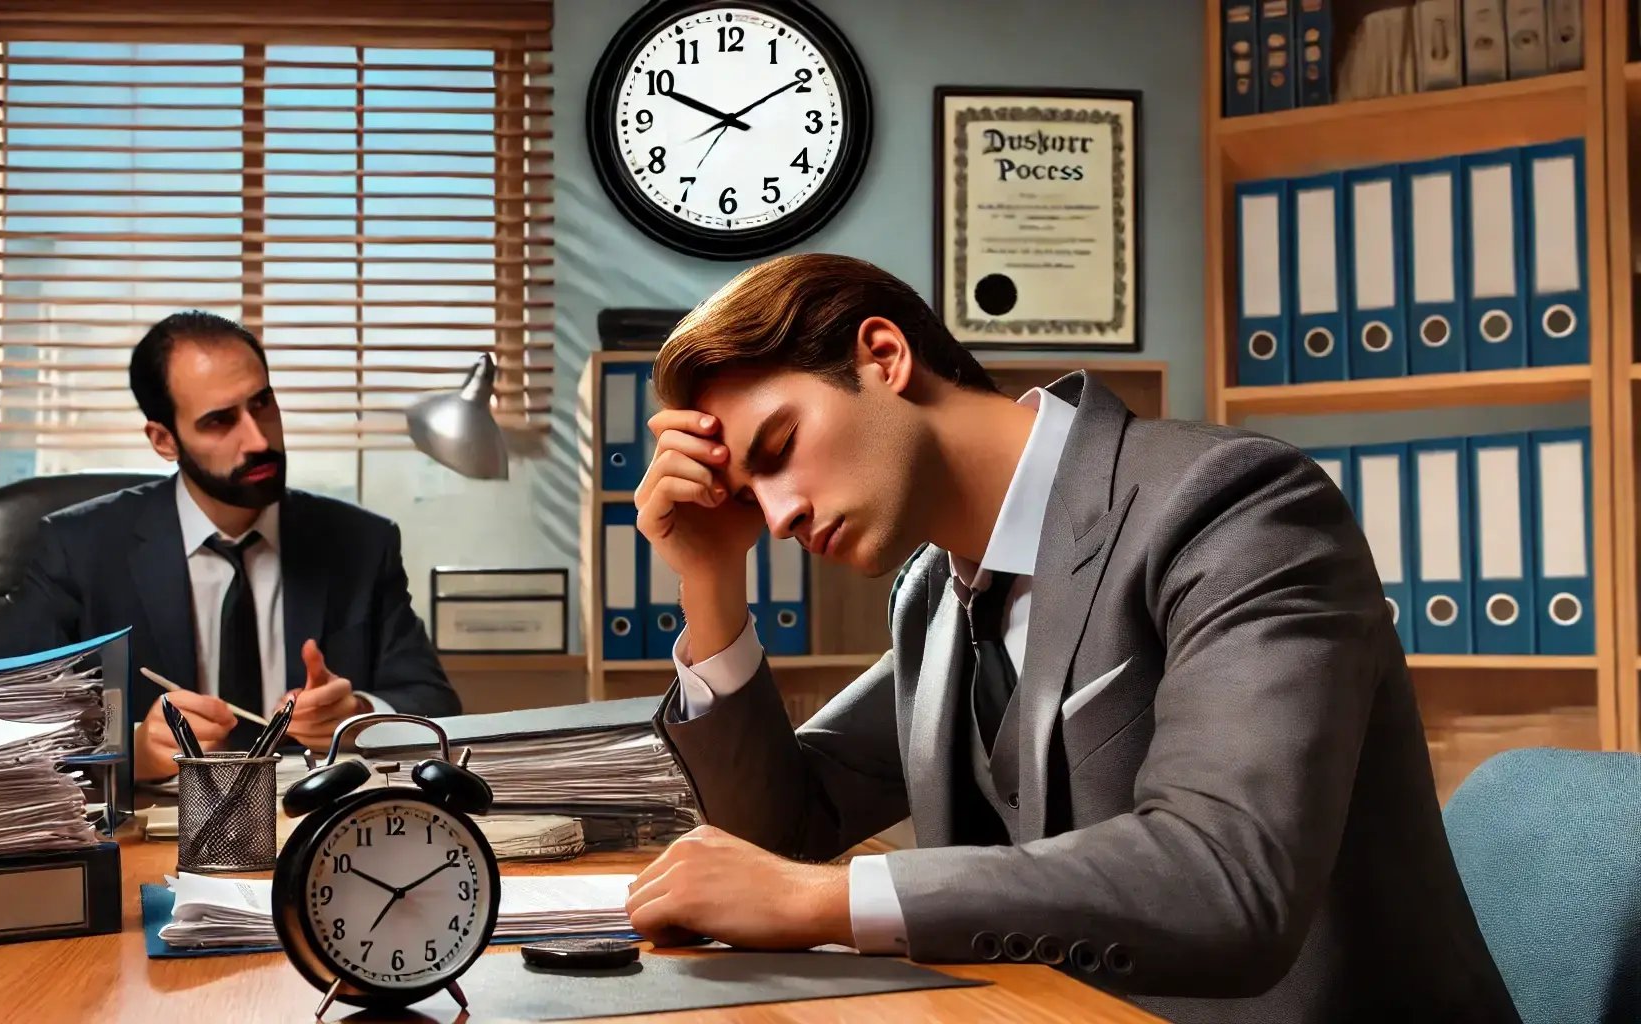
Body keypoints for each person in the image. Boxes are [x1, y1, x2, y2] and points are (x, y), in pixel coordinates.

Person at [622, 254, 1518, 1023]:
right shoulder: (934, 596)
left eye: (778, 447)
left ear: (884, 355)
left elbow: (1227, 878)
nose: (777, 516)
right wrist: (708, 581)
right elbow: (779, 831)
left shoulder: (1234, 506)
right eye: (748, 497)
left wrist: (826, 902)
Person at [0, 310, 461, 782]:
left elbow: (435, 705)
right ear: (164, 440)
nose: (256, 439)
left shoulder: (360, 543)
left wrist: (358, 718)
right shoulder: (80, 548)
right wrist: (128, 749)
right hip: (156, 834)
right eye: (219, 421)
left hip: (308, 826)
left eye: (262, 404)